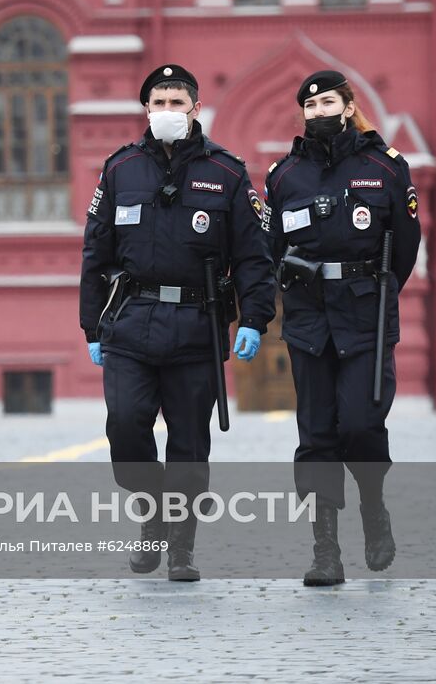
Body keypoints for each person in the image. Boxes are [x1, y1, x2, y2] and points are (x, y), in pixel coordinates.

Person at [80, 63, 275, 580]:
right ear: (146, 109)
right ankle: (152, 517)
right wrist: (91, 326)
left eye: (177, 101)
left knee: (189, 444)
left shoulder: (228, 173)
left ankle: (181, 546)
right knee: (125, 429)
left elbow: (254, 255)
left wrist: (254, 317)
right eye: (159, 101)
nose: (168, 110)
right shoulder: (120, 169)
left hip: (196, 323)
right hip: (131, 320)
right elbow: (95, 253)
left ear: (195, 108)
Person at [262, 70, 421, 586]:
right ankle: (324, 549)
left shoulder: (386, 167)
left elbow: (405, 247)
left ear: (348, 105)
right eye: (309, 106)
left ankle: (373, 509)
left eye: (327, 102)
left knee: (360, 424)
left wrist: (373, 295)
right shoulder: (285, 176)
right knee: (316, 435)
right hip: (308, 318)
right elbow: (272, 251)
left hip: (365, 315)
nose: (318, 112)